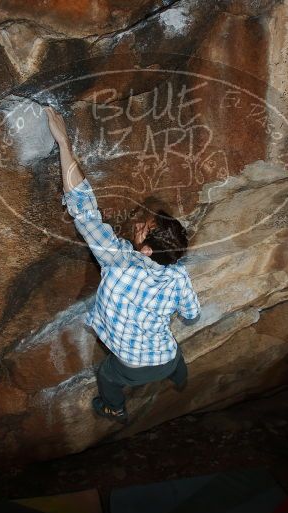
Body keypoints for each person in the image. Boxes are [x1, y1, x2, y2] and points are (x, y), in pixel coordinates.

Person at [44, 106, 200, 425]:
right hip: (167, 355)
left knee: (107, 376)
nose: (140, 222)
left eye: (145, 226)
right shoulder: (177, 272)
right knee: (172, 355)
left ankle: (114, 409)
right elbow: (192, 314)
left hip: (132, 364)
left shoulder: (117, 264)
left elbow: (84, 210)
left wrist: (64, 145)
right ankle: (179, 376)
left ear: (144, 250)